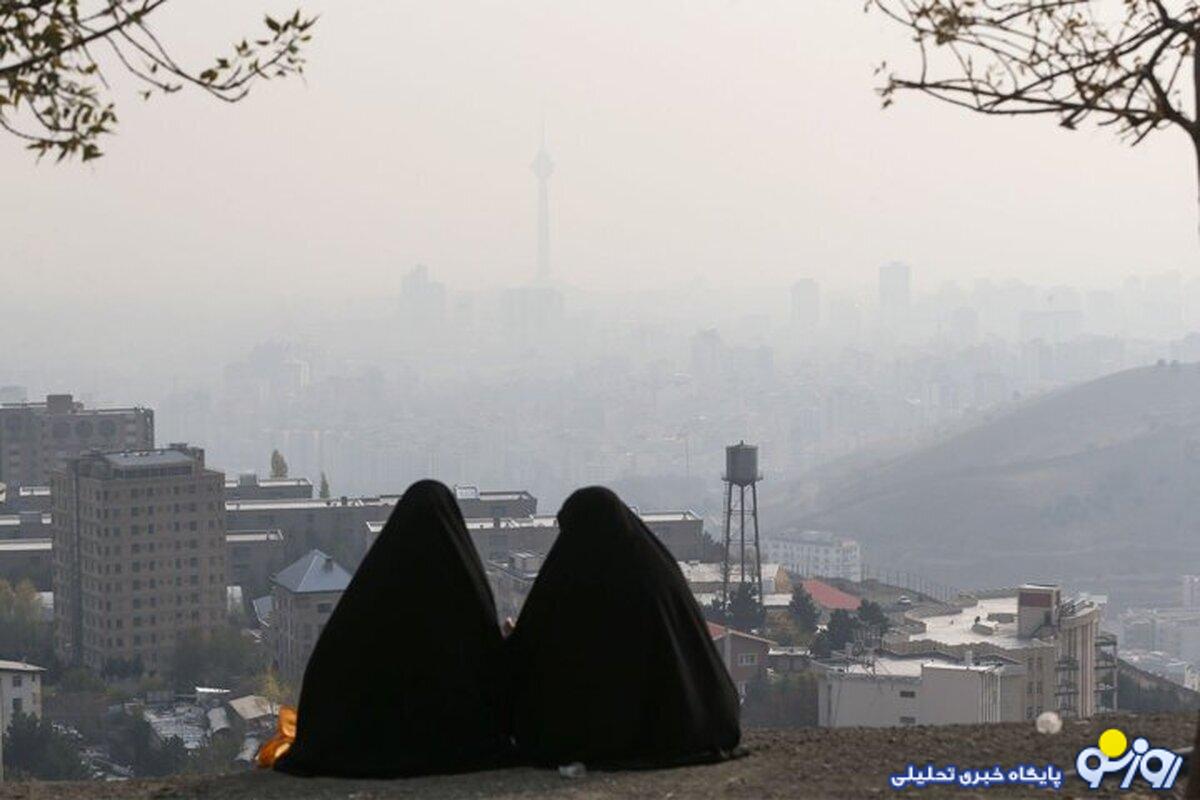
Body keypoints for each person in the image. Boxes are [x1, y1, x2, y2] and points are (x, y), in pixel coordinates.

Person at [273, 480, 510, 777]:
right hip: (456, 745)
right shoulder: (466, 600)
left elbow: (325, 694)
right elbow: (492, 686)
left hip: (355, 748)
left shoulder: (363, 608)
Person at [504, 486, 741, 769]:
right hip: (683, 725)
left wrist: (513, 642)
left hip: (591, 735)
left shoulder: (569, 580)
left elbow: (537, 663)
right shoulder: (659, 572)